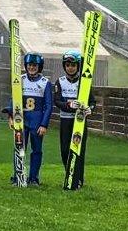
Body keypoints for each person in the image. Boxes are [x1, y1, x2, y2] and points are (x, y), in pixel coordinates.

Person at [5, 52, 53, 186]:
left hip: (37, 121)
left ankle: (33, 178)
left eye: (35, 65)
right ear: (26, 66)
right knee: (19, 147)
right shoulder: (19, 80)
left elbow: (48, 106)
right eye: (30, 65)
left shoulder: (45, 83)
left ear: (39, 67)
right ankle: (18, 176)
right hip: (22, 119)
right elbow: (13, 99)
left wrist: (44, 124)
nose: (32, 67)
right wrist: (10, 117)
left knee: (36, 150)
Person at [54, 50, 91, 189]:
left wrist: (90, 108)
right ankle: (70, 175)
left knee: (78, 151)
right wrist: (68, 104)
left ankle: (78, 179)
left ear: (78, 66)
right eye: (68, 65)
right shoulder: (60, 82)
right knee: (65, 150)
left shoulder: (84, 82)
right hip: (65, 121)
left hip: (80, 122)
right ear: (64, 66)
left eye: (73, 65)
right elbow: (57, 101)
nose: (71, 67)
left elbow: (92, 100)